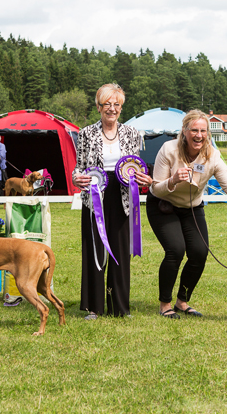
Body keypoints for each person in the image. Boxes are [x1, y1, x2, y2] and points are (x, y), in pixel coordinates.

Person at [146, 109, 227, 319]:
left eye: (203, 131)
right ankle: (165, 304)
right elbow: (156, 188)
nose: (199, 135)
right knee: (175, 249)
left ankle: (182, 302)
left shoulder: (212, 155)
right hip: (163, 205)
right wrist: (173, 180)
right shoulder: (168, 150)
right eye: (194, 130)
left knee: (199, 253)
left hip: (192, 208)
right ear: (184, 131)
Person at [72, 83, 152, 320]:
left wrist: (140, 177)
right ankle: (94, 307)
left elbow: (134, 164)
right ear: (98, 106)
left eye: (116, 104)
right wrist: (77, 178)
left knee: (120, 249)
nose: (112, 109)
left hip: (123, 195)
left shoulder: (131, 133)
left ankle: (119, 306)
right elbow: (78, 166)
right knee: (95, 248)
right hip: (95, 194)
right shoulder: (86, 134)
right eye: (107, 104)